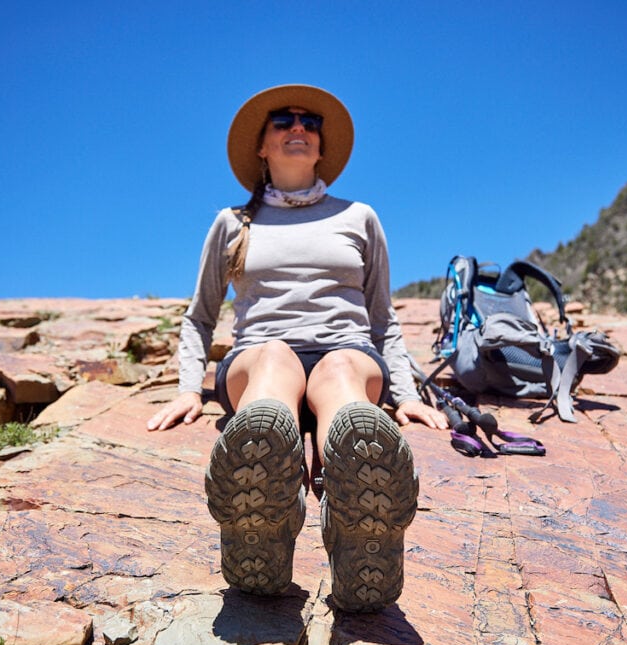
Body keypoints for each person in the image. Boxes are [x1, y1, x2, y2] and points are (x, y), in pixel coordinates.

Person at [146, 84, 446, 613]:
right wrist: (186, 388)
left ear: (322, 148)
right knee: (272, 360)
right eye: (283, 121)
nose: (298, 128)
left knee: (339, 374)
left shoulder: (360, 217)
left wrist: (407, 395)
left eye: (310, 123)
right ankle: (272, 492)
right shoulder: (233, 224)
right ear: (261, 147)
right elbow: (200, 316)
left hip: (346, 349)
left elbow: (382, 319)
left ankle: (347, 507)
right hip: (260, 352)